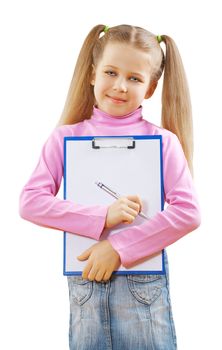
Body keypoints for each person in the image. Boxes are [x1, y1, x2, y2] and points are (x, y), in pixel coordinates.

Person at [19, 24, 201, 350]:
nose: (119, 86)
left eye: (134, 78)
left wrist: (117, 248)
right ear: (92, 74)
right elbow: (30, 201)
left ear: (150, 88)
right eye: (111, 72)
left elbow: (188, 213)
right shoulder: (65, 138)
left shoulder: (163, 142)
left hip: (142, 285)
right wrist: (103, 216)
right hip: (86, 280)